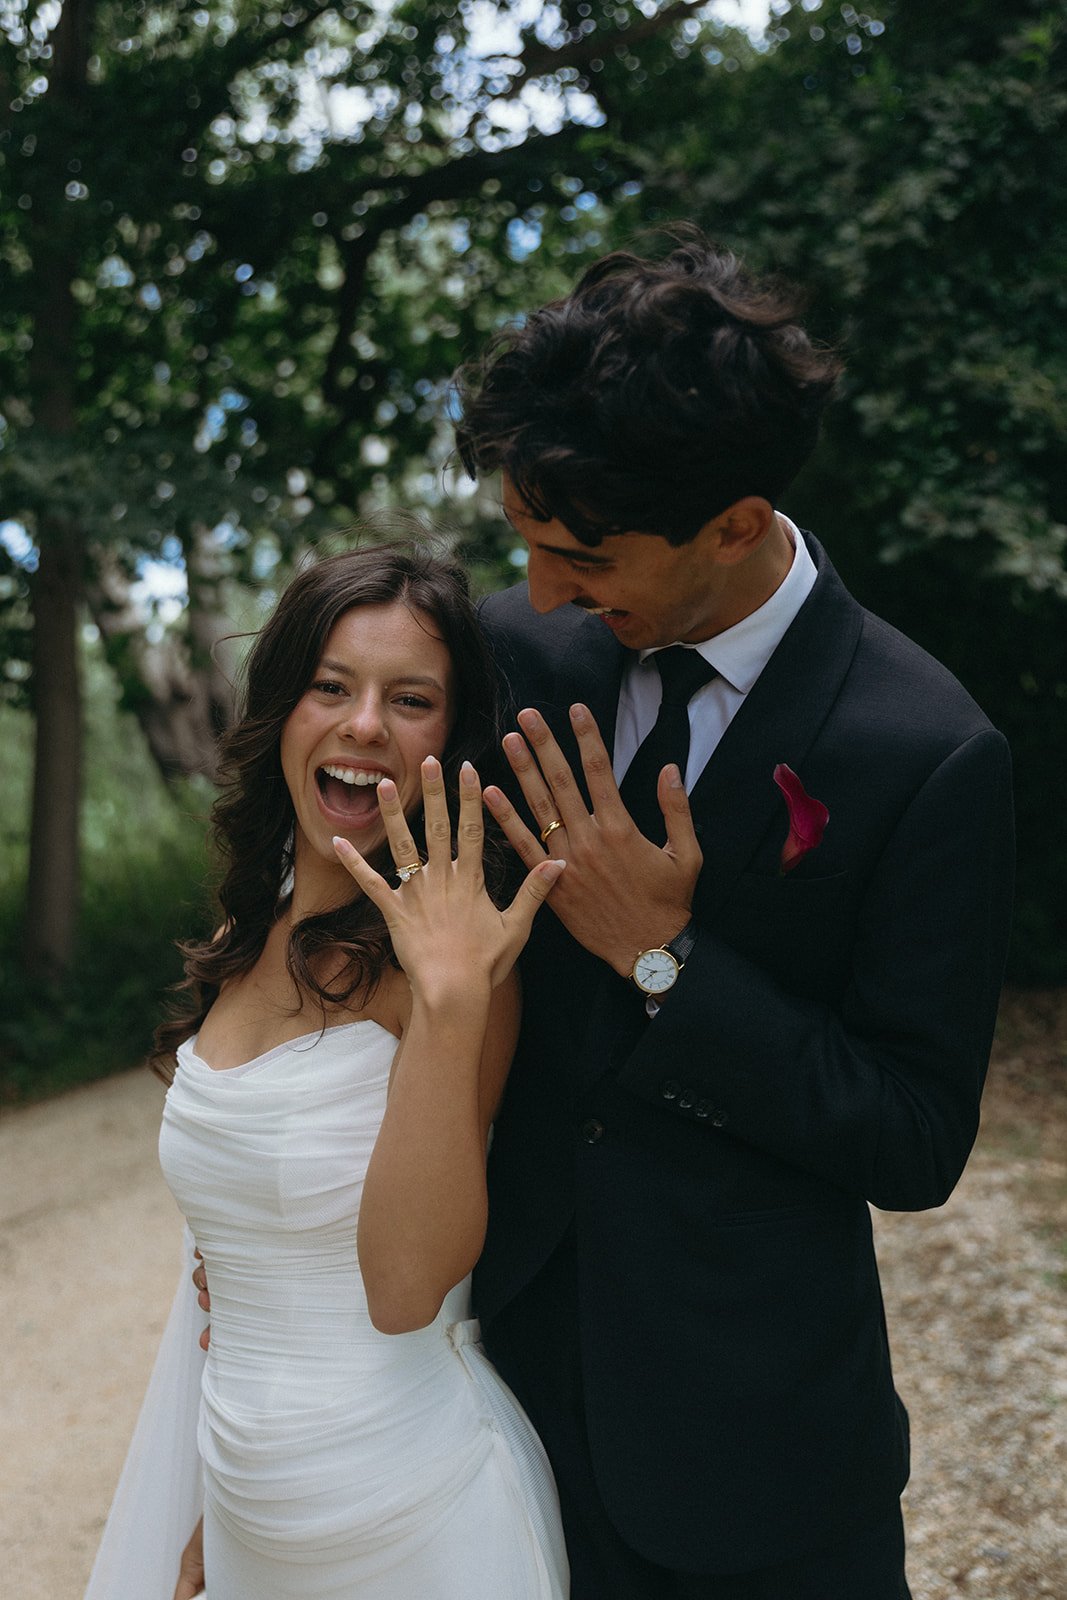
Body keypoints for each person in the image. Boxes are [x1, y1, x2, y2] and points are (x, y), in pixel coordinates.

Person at [447, 232, 1016, 1599]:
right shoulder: (508, 655)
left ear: (736, 526)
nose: (540, 589)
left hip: (758, 1453)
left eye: (580, 555)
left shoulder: (925, 750)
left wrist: (666, 961)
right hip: (486, 1411)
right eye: (524, 544)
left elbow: (912, 1138)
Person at [84, 545, 570, 1600]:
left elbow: (404, 1290)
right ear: (282, 713)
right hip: (251, 1509)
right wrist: (208, 1504)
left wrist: (449, 1002)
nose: (364, 725)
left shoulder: (454, 968)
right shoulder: (244, 937)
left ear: (450, 737)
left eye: (411, 699)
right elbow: (230, 1270)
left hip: (412, 1508)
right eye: (331, 687)